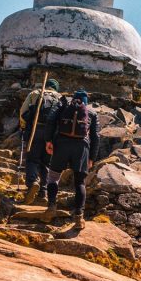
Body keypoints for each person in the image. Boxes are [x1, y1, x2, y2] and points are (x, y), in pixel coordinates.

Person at [43, 89, 99, 230]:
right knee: (80, 182)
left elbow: (50, 120)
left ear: (73, 98)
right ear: (86, 102)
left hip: (61, 143)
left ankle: (51, 207)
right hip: (82, 148)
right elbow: (96, 137)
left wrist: (48, 140)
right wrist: (92, 157)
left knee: (53, 177)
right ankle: (79, 217)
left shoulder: (64, 106)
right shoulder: (91, 113)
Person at [18, 78, 61, 204]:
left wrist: (24, 126)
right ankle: (43, 191)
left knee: (32, 159)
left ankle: (32, 183)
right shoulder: (59, 97)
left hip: (35, 130)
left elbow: (23, 112)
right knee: (47, 163)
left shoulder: (35, 93)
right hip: (52, 135)